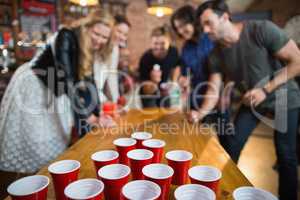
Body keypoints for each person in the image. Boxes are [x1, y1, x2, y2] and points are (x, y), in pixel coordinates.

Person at [192, 1, 300, 199]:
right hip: (252, 100)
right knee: (231, 146)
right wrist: (199, 113)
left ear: (224, 17)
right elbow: (213, 89)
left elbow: (297, 62)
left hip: (284, 98)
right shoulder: (215, 54)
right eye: (202, 26)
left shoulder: (261, 29)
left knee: (286, 156)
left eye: (208, 23)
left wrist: (265, 90)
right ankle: (224, 193)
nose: (205, 30)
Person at [0, 8, 115, 177]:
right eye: (96, 33)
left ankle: (43, 180)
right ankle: (22, 183)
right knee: (34, 144)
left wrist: (99, 114)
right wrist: (89, 118)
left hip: (55, 90)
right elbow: (68, 80)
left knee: (53, 146)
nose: (99, 40)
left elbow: (89, 82)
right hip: (35, 85)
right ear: (87, 26)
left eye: (104, 37)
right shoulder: (66, 36)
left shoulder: (88, 48)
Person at [171, 5, 232, 132]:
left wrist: (225, 94)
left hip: (217, 98)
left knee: (223, 139)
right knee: (195, 137)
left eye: (183, 25)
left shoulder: (212, 39)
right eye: (177, 28)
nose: (181, 31)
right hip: (196, 99)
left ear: (193, 21)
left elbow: (229, 70)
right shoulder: (186, 47)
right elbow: (185, 73)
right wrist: (183, 80)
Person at [138, 26, 181, 108]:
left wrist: (173, 82)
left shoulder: (173, 52)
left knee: (167, 114)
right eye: (155, 43)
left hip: (165, 90)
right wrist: (154, 82)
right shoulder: (145, 59)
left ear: (169, 42)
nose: (158, 47)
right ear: (151, 43)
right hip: (149, 92)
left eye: (162, 43)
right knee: (150, 115)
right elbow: (146, 90)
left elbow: (177, 66)